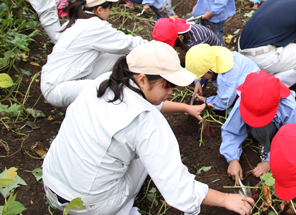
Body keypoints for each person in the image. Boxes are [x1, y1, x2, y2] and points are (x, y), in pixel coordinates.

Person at [43, 41, 254, 215]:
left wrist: (186, 108)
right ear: (142, 79)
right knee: (147, 161)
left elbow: (145, 100)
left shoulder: (105, 82)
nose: (172, 91)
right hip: (89, 204)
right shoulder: (148, 122)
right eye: (168, 85)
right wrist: (226, 199)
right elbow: (178, 190)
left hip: (52, 182)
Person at [40, 0, 147, 108]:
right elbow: (128, 43)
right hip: (58, 87)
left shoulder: (75, 21)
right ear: (100, 9)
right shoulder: (95, 26)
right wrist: (157, 45)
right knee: (109, 90)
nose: (110, 11)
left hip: (59, 77)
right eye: (109, 7)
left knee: (121, 59)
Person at [221, 71, 296, 181]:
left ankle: (270, 147)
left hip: (287, 127)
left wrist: (270, 162)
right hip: (266, 129)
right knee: (262, 128)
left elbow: (292, 137)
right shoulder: (245, 101)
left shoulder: (287, 105)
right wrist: (232, 159)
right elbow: (231, 130)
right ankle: (264, 141)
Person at [185, 44, 261, 111]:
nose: (202, 78)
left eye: (201, 76)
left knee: (233, 102)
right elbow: (202, 66)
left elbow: (224, 102)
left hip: (256, 94)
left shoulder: (226, 78)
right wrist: (198, 81)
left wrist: (206, 100)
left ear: (210, 70)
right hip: (255, 76)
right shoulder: (219, 57)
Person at [152, 17, 222, 57]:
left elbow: (199, 62)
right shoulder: (180, 32)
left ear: (180, 37)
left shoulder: (195, 42)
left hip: (214, 54)